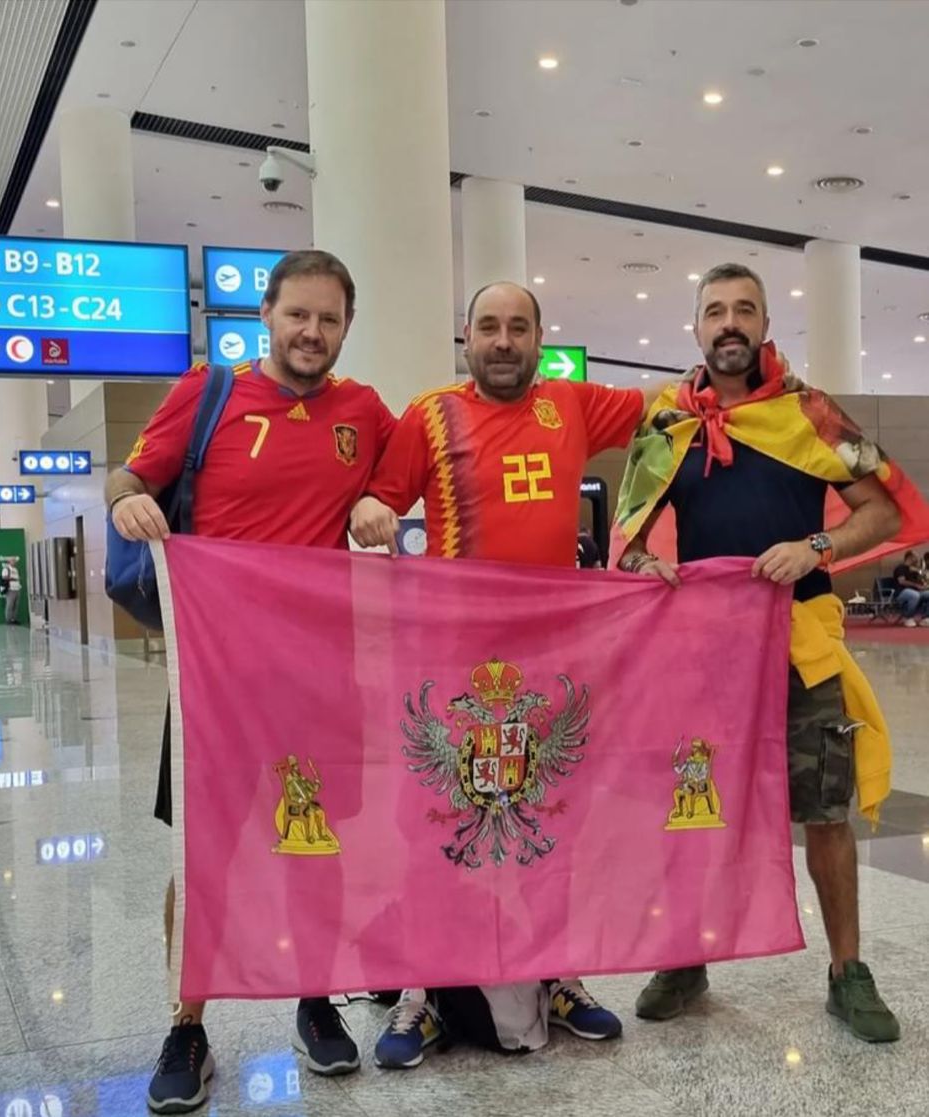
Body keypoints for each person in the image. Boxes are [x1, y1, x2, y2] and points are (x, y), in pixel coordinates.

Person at [106, 249, 396, 1112]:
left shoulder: (364, 411)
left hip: (318, 672)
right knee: (206, 850)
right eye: (297, 314)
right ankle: (187, 1022)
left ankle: (315, 998)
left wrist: (375, 499)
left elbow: (401, 477)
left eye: (330, 319)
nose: (312, 332)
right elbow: (132, 474)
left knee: (314, 844)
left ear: (348, 327)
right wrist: (125, 499)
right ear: (265, 314)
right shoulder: (210, 392)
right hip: (215, 673)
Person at [351, 280, 655, 1068]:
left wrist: (644, 532)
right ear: (467, 336)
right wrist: (372, 513)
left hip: (553, 665)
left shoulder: (575, 404)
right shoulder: (431, 414)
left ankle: (558, 974)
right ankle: (421, 993)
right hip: (454, 667)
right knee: (438, 827)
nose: (504, 340)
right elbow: (377, 498)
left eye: (519, 327)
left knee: (551, 821)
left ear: (540, 336)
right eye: (490, 326)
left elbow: (674, 419)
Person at [617, 261, 905, 1044]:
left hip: (800, 642)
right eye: (716, 310)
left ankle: (848, 971)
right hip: (700, 653)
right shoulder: (665, 425)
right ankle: (685, 957)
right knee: (691, 807)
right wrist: (646, 564)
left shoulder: (809, 413)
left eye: (745, 309)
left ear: (765, 325)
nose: (729, 323)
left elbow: (880, 513)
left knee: (825, 809)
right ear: (698, 327)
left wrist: (816, 545)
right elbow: (630, 539)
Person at [892, 550, 929, 627]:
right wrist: (917, 586)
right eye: (916, 557)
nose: (918, 559)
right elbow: (901, 581)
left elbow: (919, 582)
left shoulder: (914, 570)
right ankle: (908, 617)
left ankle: (926, 618)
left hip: (916, 591)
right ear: (910, 557)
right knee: (914, 595)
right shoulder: (900, 568)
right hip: (902, 592)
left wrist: (923, 585)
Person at [0, 557, 21, 624]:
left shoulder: (15, 569)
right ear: (9, 562)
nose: (14, 562)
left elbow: (17, 578)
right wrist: (13, 578)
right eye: (12, 561)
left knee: (15, 605)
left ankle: (13, 619)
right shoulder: (6, 569)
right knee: (9, 605)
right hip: (10, 589)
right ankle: (8, 620)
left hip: (17, 589)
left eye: (14, 561)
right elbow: (4, 577)